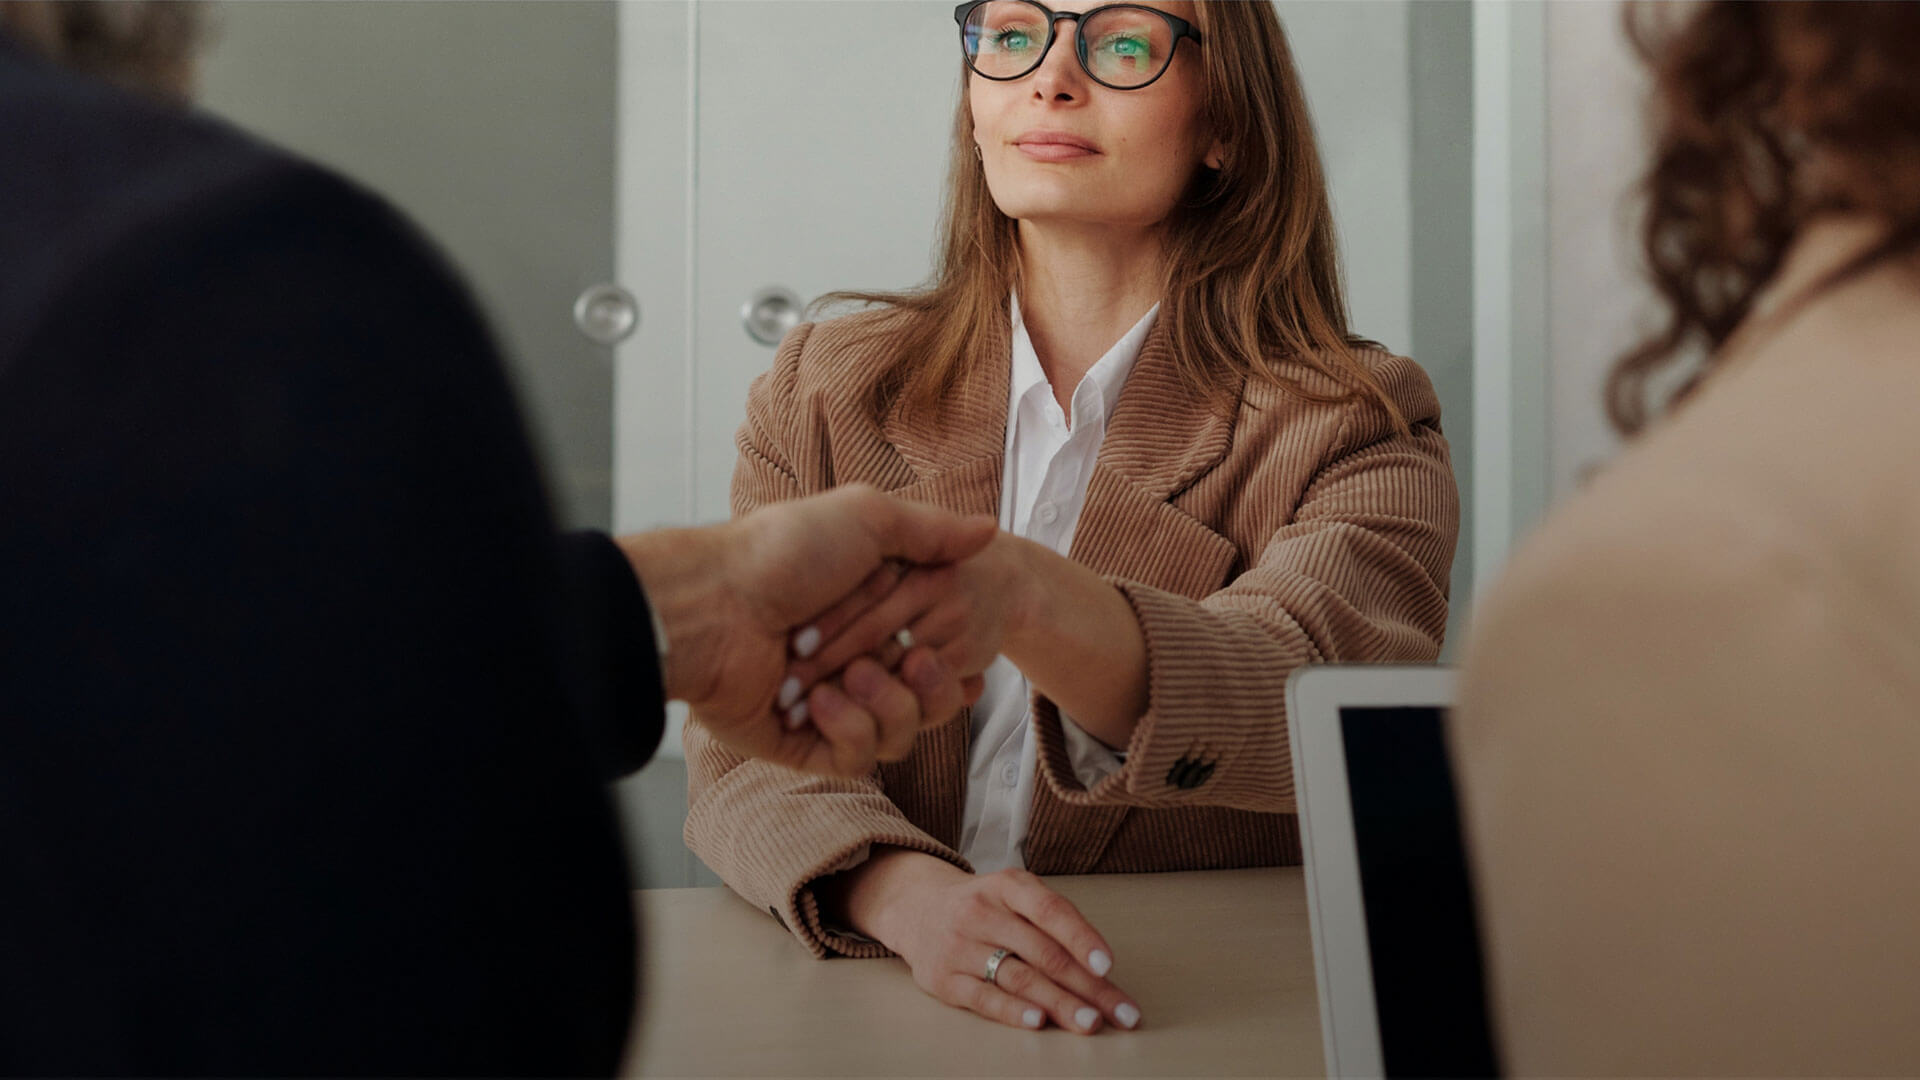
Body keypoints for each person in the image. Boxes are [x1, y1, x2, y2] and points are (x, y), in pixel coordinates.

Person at [0, 4, 995, 1074]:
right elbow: (459, 995)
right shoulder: (208, 262)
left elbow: (168, 645)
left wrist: (660, 610)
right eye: (1012, 34)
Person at [685, 0, 1459, 1036]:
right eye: (1013, 36)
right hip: (867, 994)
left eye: (1123, 43)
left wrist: (1023, 595)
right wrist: (905, 895)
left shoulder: (1356, 417)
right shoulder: (824, 385)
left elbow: (1313, 687)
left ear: (1226, 123)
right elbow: (743, 739)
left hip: (1191, 1013)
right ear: (975, 104)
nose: (1051, 78)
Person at [1454, 2, 1920, 1073]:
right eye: (1051, 31)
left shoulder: (1686, 583)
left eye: (1124, 41)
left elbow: (1274, 670)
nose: (1068, 78)